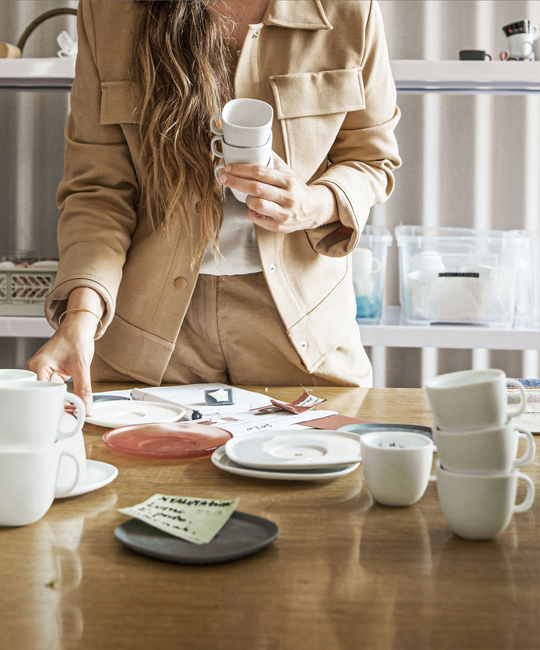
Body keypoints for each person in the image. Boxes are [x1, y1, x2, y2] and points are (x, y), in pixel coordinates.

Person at [26, 0, 401, 416]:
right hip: (146, 328)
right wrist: (80, 315)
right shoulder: (108, 11)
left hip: (303, 331)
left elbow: (371, 159)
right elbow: (99, 189)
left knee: (324, 474)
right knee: (138, 478)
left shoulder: (350, 9)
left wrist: (313, 204)